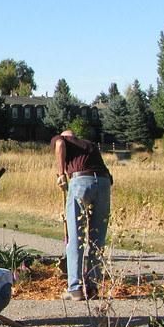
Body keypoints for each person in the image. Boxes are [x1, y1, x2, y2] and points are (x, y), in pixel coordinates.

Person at [52, 129, 112, 301]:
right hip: (104, 183)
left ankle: (75, 288)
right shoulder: (89, 144)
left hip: (81, 183)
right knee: (97, 237)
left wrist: (62, 174)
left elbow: (59, 144)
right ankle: (92, 287)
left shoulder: (63, 139)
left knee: (76, 237)